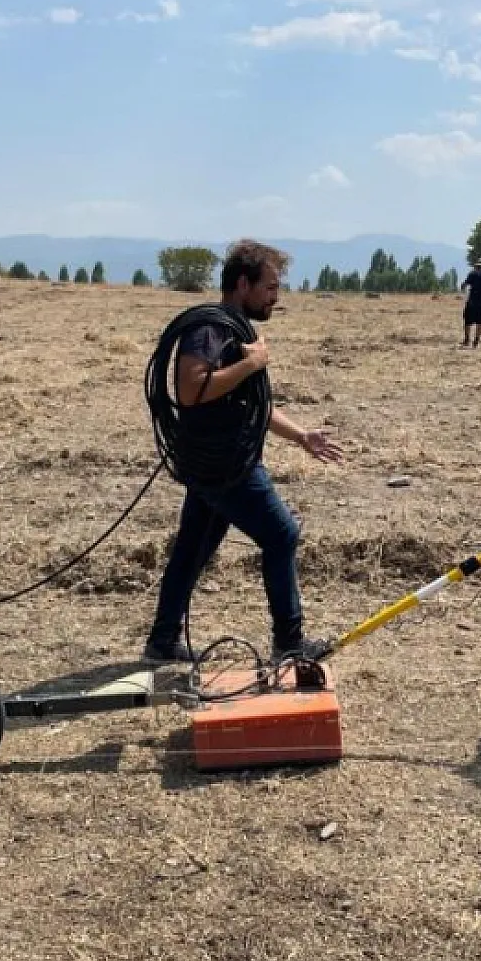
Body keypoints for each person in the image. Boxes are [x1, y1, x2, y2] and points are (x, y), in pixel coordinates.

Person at [143, 240, 345, 664]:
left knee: (192, 550)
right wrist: (251, 364)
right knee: (281, 535)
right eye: (270, 287)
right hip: (226, 466)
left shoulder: (233, 330)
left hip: (214, 464)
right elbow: (190, 390)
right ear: (242, 284)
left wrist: (302, 436)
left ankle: (161, 642)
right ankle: (289, 643)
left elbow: (251, 404)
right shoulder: (209, 331)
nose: (276, 296)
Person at [461, 257, 481, 347]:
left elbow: (464, 285)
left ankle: (467, 340)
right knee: (480, 322)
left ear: (477, 266)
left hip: (472, 301)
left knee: (468, 321)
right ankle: (476, 342)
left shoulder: (472, 274)